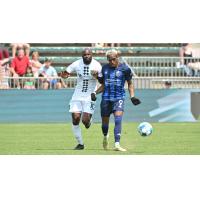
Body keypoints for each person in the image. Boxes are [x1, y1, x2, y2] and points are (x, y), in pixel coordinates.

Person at [91, 49, 141, 152]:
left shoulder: (125, 69)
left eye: (113, 59)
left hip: (119, 98)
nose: (111, 62)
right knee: (105, 125)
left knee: (118, 119)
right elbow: (103, 85)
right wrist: (95, 92)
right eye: (109, 60)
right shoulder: (104, 69)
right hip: (106, 99)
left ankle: (117, 144)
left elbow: (130, 83)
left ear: (117, 58)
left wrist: (132, 96)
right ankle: (105, 136)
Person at [61, 48, 102, 150]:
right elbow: (65, 73)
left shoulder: (97, 65)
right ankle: (80, 143)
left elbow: (103, 81)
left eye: (88, 54)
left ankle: (89, 121)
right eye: (84, 55)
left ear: (91, 55)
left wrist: (97, 76)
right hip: (77, 95)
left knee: (85, 121)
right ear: (82, 56)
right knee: (75, 118)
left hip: (89, 95)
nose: (86, 56)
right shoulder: (77, 64)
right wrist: (64, 75)